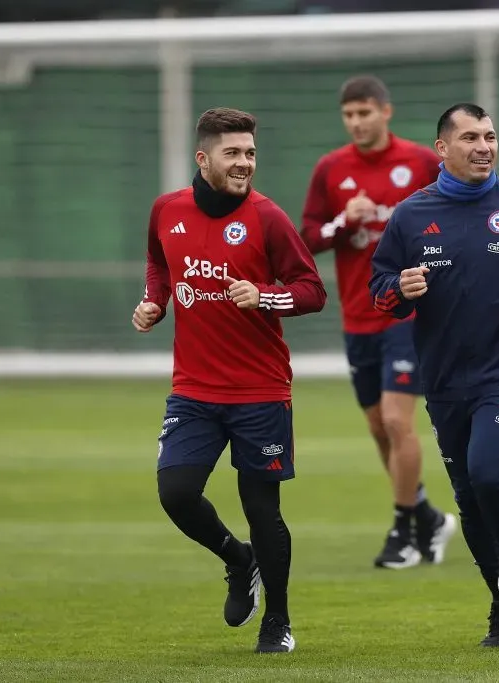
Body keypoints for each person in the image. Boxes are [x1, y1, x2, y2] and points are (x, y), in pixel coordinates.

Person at [369, 103, 499, 647]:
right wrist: (399, 288)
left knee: (488, 474)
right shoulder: (411, 215)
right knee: (467, 495)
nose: (484, 146)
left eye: (490, 136)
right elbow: (380, 286)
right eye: (470, 138)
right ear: (442, 148)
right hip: (443, 378)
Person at [135, 107, 327, 653]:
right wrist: (156, 301)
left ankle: (279, 623)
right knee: (176, 493)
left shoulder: (268, 218)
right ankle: (238, 560)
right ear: (203, 158)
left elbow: (312, 290)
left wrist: (265, 296)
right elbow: (158, 263)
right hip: (194, 389)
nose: (245, 163)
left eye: (250, 153)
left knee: (262, 509)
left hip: (260, 391)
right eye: (233, 154)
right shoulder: (166, 210)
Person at [300, 75, 457, 568]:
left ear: (385, 112)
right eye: (349, 115)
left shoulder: (419, 163)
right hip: (358, 314)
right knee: (378, 427)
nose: (357, 122)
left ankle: (403, 530)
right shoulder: (331, 168)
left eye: (365, 112)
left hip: (408, 313)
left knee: (396, 419)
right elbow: (308, 237)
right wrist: (344, 221)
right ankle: (428, 517)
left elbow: (455, 218)